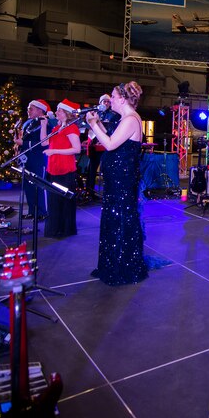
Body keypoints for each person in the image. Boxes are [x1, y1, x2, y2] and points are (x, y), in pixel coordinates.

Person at [85, 81, 148, 286]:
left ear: (121, 98)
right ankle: (110, 264)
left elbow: (110, 144)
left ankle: (122, 267)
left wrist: (94, 125)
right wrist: (97, 124)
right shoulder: (124, 118)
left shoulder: (131, 119)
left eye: (112, 96)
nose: (110, 99)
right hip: (116, 179)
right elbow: (112, 137)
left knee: (120, 219)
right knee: (113, 219)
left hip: (123, 180)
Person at [43, 100, 81, 238]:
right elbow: (44, 142)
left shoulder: (71, 128)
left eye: (59, 110)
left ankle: (64, 230)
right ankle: (56, 228)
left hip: (65, 168)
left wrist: (54, 151)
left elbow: (76, 149)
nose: (56, 112)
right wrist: (43, 124)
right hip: (54, 167)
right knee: (55, 201)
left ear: (67, 113)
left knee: (63, 201)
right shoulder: (56, 128)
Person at [13, 99, 53, 219]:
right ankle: (32, 210)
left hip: (38, 157)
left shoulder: (46, 123)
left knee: (40, 185)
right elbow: (22, 139)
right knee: (28, 185)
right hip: (26, 157)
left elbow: (44, 143)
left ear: (40, 110)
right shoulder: (27, 123)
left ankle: (42, 212)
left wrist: (23, 143)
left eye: (31, 108)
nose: (28, 110)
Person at [85, 93, 121, 196]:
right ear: (100, 103)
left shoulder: (113, 115)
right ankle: (89, 191)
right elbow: (90, 129)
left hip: (106, 145)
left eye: (108, 101)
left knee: (106, 169)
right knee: (91, 169)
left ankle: (107, 193)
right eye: (104, 101)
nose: (106, 103)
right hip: (95, 145)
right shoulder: (95, 113)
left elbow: (110, 130)